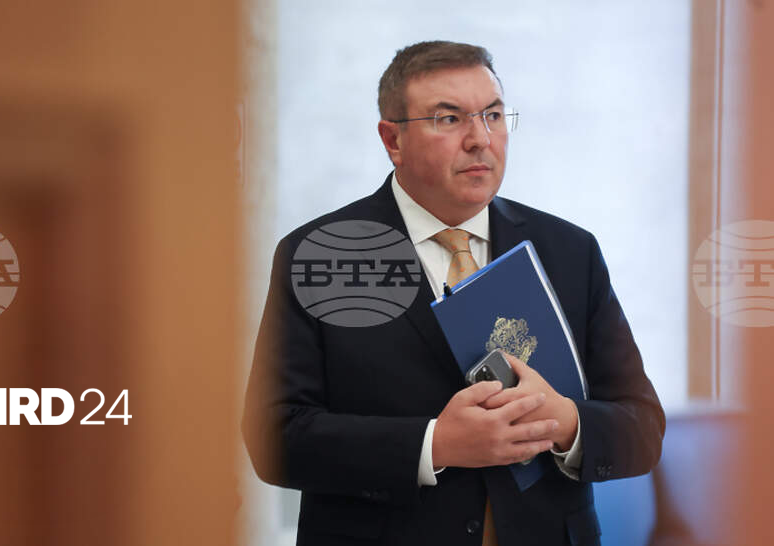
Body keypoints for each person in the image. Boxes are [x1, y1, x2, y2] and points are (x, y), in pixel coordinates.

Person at [243, 40, 664, 546]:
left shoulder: (569, 251)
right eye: (449, 119)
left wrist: (568, 423)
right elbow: (275, 437)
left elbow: (644, 428)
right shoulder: (322, 255)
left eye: (493, 115)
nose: (480, 139)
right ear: (393, 140)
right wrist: (434, 445)